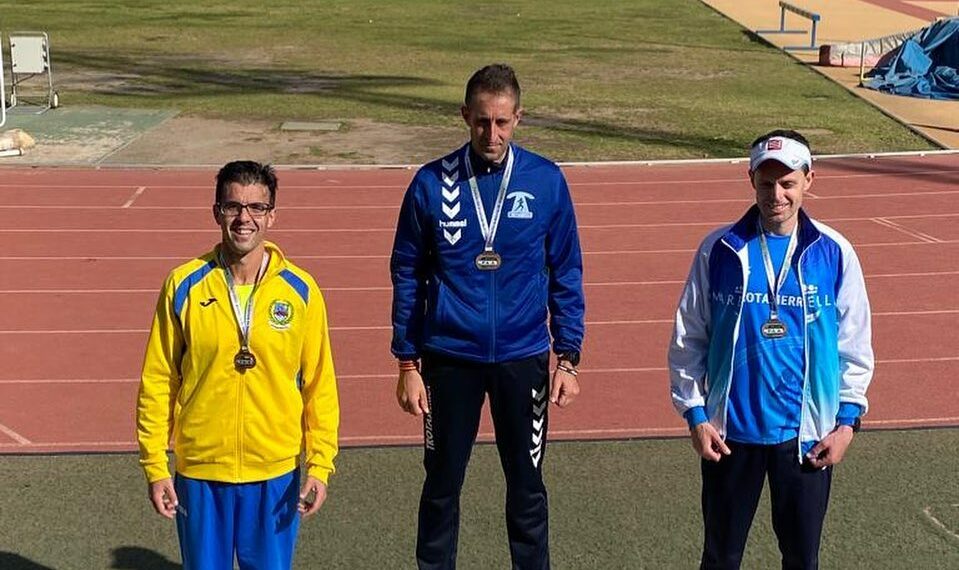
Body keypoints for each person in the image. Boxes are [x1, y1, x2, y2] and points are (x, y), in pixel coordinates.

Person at [390, 63, 585, 570]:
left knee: (526, 486)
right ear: (464, 116)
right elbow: (407, 273)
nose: (491, 134)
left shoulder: (545, 181)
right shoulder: (431, 184)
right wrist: (408, 365)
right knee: (441, 486)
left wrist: (568, 357)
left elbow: (566, 270)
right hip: (448, 359)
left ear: (519, 117)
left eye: (501, 122)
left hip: (523, 360)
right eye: (481, 122)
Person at [668, 130, 875, 569]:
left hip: (806, 440)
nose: (776, 195)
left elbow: (854, 345)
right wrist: (696, 415)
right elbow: (689, 337)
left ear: (809, 180)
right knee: (720, 558)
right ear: (751, 181)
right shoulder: (720, 250)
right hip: (730, 437)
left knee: (802, 559)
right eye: (766, 182)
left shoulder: (834, 253)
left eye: (788, 183)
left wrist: (846, 425)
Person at [136, 160, 339, 570]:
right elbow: (158, 380)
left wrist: (319, 464)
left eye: (257, 208)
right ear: (216, 212)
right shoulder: (183, 285)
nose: (244, 218)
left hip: (274, 474)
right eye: (233, 207)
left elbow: (319, 386)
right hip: (201, 473)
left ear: (272, 216)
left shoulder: (301, 291)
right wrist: (156, 466)